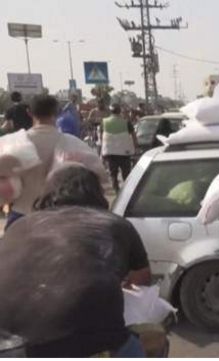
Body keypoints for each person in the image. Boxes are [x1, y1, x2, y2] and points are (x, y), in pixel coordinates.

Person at [0, 206, 146, 357]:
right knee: (133, 346)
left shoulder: (20, 225)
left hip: (8, 342)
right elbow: (142, 277)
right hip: (78, 336)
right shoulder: (114, 223)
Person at [33, 164, 151, 286]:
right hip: (100, 300)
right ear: (96, 192)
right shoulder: (117, 226)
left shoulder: (27, 226)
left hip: (34, 298)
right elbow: (141, 276)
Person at [1, 95, 106, 230]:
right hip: (60, 222)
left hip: (21, 218)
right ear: (56, 112)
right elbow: (100, 177)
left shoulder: (12, 144)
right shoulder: (74, 144)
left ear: (29, 113)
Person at [101, 103, 138, 192]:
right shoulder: (126, 122)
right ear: (119, 111)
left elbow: (100, 137)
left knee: (113, 174)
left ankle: (117, 192)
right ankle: (127, 192)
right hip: (124, 153)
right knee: (126, 174)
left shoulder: (104, 122)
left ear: (110, 111)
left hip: (110, 153)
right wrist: (136, 146)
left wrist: (102, 152)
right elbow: (134, 136)